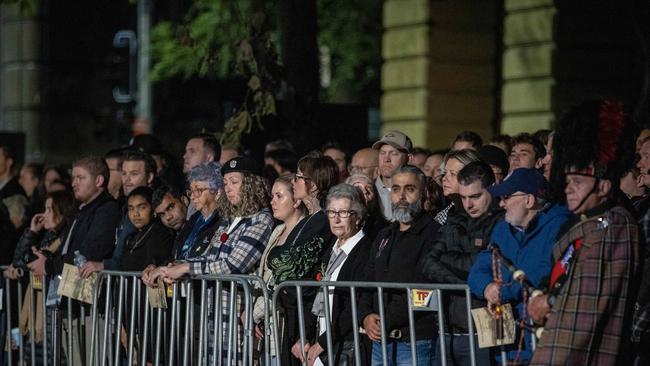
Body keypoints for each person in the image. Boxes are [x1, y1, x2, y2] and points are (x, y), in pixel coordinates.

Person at [528, 99, 640, 365]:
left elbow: (586, 309)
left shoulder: (614, 225)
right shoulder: (585, 222)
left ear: (602, 187)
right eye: (567, 181)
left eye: (577, 181)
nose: (568, 188)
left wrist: (550, 302)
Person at [160, 157, 273, 365]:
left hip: (237, 316)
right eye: (226, 182)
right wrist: (173, 267)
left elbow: (232, 265)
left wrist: (186, 267)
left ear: (251, 183)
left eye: (234, 182)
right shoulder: (230, 219)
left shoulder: (261, 220)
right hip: (214, 314)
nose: (228, 188)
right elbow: (210, 256)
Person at [468, 168, 570, 364]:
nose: (501, 203)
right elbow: (478, 269)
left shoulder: (559, 226)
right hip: (508, 342)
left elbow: (540, 274)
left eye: (506, 197)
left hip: (543, 337)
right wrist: (487, 287)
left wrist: (502, 293)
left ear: (529, 200)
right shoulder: (502, 229)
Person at [28, 156, 121, 366]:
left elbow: (89, 252)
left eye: (80, 177)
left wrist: (49, 264)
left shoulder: (107, 210)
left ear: (99, 181)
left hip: (90, 306)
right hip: (71, 301)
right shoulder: (80, 210)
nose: (74, 183)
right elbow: (66, 248)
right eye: (73, 177)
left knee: (89, 358)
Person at [419, 161, 502, 365]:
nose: (468, 204)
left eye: (475, 196)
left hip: (488, 328)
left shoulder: (502, 223)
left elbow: (484, 265)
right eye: (464, 197)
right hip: (449, 329)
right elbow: (427, 263)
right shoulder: (454, 221)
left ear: (492, 190)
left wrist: (448, 261)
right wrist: (470, 284)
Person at [358, 165, 441, 365]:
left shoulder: (435, 234)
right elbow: (366, 281)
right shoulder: (384, 235)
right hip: (379, 343)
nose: (401, 196)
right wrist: (366, 316)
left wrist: (385, 319)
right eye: (396, 189)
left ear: (423, 194)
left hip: (415, 343)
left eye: (409, 189)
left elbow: (426, 289)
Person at [267, 155, 338, 366]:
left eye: (298, 178)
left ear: (313, 185)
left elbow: (291, 263)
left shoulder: (324, 220)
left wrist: (278, 256)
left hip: (308, 312)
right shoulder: (308, 219)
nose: (293, 182)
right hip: (293, 310)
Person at [300, 184, 373, 366]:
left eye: (343, 213)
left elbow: (354, 304)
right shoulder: (330, 248)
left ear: (358, 217)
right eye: (332, 212)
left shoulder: (365, 250)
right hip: (321, 341)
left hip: (346, 344)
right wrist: (305, 336)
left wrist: (323, 342)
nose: (336, 219)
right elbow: (314, 293)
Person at [253, 174, 308, 366]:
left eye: (279, 196)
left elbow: (280, 282)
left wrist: (254, 313)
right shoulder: (277, 230)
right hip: (265, 323)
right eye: (272, 196)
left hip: (283, 323)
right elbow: (262, 275)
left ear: (296, 201)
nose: (272, 202)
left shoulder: (303, 231)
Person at [79, 150, 157, 277]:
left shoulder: (156, 211)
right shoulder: (122, 209)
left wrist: (105, 265)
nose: (127, 180)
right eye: (124, 173)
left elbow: (138, 257)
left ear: (149, 177)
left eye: (134, 174)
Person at [119, 186, 174, 271]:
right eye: (131, 209)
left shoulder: (160, 234)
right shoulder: (130, 237)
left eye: (142, 208)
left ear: (153, 209)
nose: (135, 214)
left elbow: (155, 260)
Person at [372, 131, 413, 220]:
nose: (386, 159)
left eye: (394, 153)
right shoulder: (368, 191)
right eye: (382, 153)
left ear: (409, 159)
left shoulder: (419, 192)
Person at [435, 149, 481, 225]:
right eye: (445, 173)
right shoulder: (441, 217)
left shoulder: (483, 214)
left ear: (472, 177)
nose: (444, 178)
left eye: (453, 174)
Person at [346, 173, 388, 241]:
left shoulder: (382, 229)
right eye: (358, 188)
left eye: (369, 188)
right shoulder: (334, 222)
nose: (365, 192)